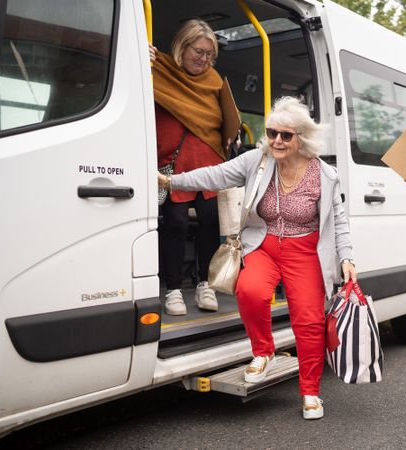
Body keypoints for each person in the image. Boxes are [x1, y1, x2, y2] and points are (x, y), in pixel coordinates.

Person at [159, 96, 357, 420]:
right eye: (271, 132)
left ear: (302, 138)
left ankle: (310, 392)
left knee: (308, 322)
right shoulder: (257, 160)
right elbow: (217, 175)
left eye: (286, 135)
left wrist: (347, 257)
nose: (276, 140)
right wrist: (172, 181)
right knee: (249, 291)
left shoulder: (324, 174)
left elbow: (338, 218)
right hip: (263, 244)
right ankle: (263, 352)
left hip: (304, 251)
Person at [150, 19, 226, 316]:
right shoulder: (160, 69)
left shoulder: (215, 81)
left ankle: (205, 285)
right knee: (176, 223)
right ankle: (172, 290)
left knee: (210, 223)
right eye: (199, 51)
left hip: (207, 162)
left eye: (209, 54)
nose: (203, 59)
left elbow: (218, 120)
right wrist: (142, 59)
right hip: (171, 162)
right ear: (183, 47)